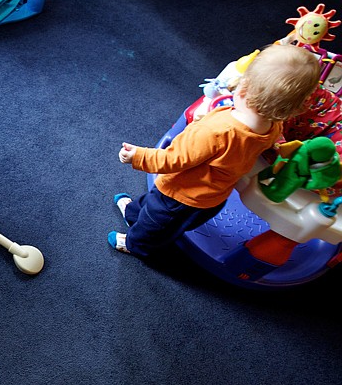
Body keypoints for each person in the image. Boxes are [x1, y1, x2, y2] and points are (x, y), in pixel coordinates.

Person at [108, 44, 322, 257]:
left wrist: (138, 156)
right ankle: (133, 213)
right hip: (212, 197)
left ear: (244, 88)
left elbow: (174, 159)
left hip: (181, 193)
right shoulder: (274, 127)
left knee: (157, 222)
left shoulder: (217, 131)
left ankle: (136, 244)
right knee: (151, 205)